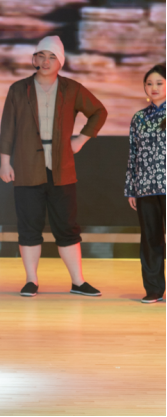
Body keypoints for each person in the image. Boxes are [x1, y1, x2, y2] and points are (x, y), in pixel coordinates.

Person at [0, 36, 108, 298]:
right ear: (34, 59)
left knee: (67, 226)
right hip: (26, 166)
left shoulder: (72, 88)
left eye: (52, 57)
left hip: (62, 168)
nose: (46, 62)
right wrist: (4, 162)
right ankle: (31, 280)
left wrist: (81, 139)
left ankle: (78, 281)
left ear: (61, 62)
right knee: (29, 225)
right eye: (42, 56)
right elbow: (7, 127)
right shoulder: (19, 89)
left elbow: (99, 112)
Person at [126, 64, 166, 304]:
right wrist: (131, 188)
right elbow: (133, 153)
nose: (154, 88)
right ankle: (154, 289)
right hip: (145, 187)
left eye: (159, 83)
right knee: (151, 238)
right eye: (149, 83)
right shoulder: (139, 118)